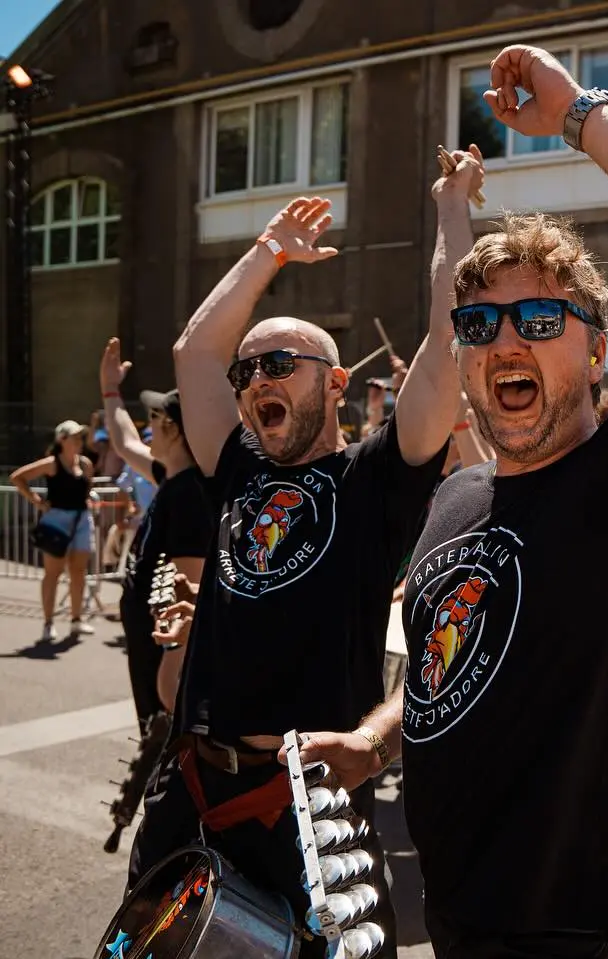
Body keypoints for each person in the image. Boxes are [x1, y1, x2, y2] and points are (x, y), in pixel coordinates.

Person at [288, 45, 608, 957]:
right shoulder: (457, 494)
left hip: (569, 932)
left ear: (594, 352)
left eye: (541, 321)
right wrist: (375, 739)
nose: (506, 341)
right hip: (448, 912)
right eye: (480, 325)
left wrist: (580, 114)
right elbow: (444, 666)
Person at [124, 149, 471, 956]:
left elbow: (448, 340)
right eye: (249, 371)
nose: (253, 381)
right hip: (192, 786)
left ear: (337, 381)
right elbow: (193, 353)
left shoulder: (375, 478)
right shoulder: (236, 465)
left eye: (279, 364)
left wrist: (452, 209)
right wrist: (268, 250)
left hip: (307, 804)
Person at [98, 338, 213, 728]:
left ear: (175, 429)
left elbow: (186, 586)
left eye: (155, 418)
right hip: (150, 640)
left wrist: (173, 662)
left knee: (163, 755)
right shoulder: (173, 478)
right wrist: (110, 390)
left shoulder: (190, 496)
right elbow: (125, 441)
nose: (148, 429)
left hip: (162, 649)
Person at [10, 420, 95, 641]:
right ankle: (48, 623)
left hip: (81, 520)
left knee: (78, 571)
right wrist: (36, 501)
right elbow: (18, 477)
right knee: (53, 572)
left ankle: (76, 620)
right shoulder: (52, 463)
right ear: (62, 440)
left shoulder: (85, 464)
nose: (79, 441)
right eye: (74, 437)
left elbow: (87, 489)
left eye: (80, 437)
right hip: (57, 519)